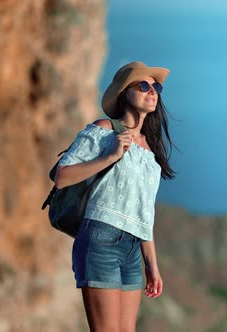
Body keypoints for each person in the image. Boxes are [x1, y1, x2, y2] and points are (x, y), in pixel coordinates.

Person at [54, 61, 177, 331]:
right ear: (124, 92)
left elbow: (144, 215)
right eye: (143, 85)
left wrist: (152, 266)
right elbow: (62, 177)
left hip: (133, 248)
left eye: (156, 87)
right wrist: (110, 156)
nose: (152, 91)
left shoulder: (150, 151)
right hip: (100, 240)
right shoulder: (104, 130)